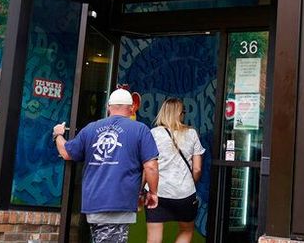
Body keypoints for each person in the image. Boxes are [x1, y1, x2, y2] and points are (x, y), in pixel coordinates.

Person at [54, 89, 160, 243]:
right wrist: (153, 192)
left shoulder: (90, 129)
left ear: (108, 107)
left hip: (94, 201)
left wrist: (58, 134)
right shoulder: (140, 130)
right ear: (131, 109)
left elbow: (66, 153)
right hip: (119, 202)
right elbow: (151, 166)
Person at [146, 98, 205, 243]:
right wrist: (190, 183)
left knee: (154, 236)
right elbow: (197, 169)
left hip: (158, 191)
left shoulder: (153, 133)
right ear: (180, 114)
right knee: (186, 230)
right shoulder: (191, 134)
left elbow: (148, 165)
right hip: (185, 192)